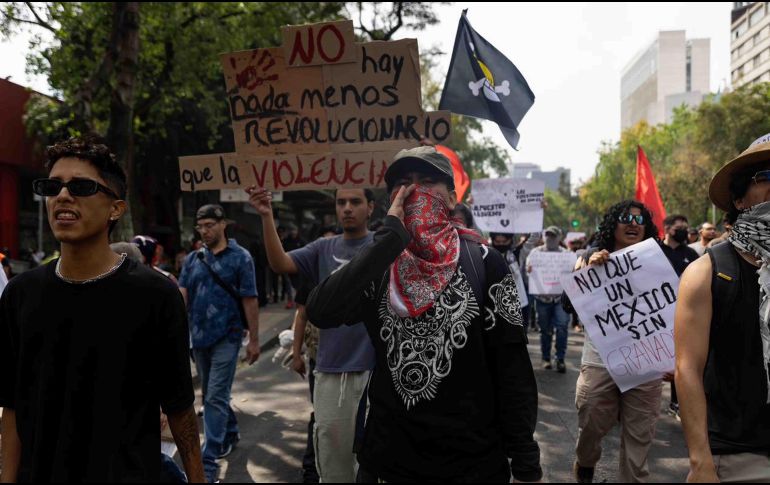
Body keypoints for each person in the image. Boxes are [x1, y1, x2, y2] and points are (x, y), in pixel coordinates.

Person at [303, 146, 543, 482]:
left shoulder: (485, 263)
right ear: (392, 200)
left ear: (451, 197)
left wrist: (525, 460)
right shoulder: (379, 264)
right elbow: (321, 310)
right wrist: (387, 243)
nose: (415, 191)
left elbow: (512, 366)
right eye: (404, 183)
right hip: (388, 462)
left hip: (472, 464)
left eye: (428, 181)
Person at [0, 136, 204, 482]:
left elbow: (179, 407)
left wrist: (197, 478)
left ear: (116, 208)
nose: (63, 196)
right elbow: (12, 409)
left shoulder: (156, 295)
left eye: (81, 186)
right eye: (53, 186)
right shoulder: (21, 294)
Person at [247, 185, 377, 484]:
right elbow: (279, 263)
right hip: (330, 372)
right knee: (333, 462)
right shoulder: (322, 248)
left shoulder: (383, 245)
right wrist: (266, 215)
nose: (347, 208)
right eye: (341, 202)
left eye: (355, 202)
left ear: (370, 207)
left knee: (372, 463)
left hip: (376, 372)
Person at [676, 133, 770, 483]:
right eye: (767, 178)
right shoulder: (707, 273)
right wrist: (701, 461)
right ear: (739, 199)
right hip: (738, 458)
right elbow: (687, 369)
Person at [570, 200, 665, 483]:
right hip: (601, 363)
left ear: (647, 227)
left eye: (639, 220)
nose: (632, 223)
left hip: (646, 364)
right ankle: (585, 462)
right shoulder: (589, 257)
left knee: (639, 439)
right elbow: (569, 306)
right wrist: (586, 272)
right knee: (590, 423)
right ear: (613, 224)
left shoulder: (659, 259)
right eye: (625, 218)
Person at [178, 203, 261, 483]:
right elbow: (183, 295)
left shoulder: (241, 257)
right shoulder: (192, 259)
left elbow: (250, 298)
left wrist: (255, 340)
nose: (204, 231)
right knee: (212, 394)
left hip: (228, 335)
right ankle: (230, 432)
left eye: (209, 225)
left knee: (213, 395)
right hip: (198, 338)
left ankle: (209, 457)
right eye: (200, 226)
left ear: (223, 224)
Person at [661, 214, 700, 419]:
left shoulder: (692, 254)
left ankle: (676, 401)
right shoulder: (654, 250)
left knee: (680, 357)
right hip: (654, 315)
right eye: (679, 227)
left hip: (682, 313)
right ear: (667, 229)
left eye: (686, 227)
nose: (684, 230)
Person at [527, 226, 571, 373]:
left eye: (553, 236)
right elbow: (529, 273)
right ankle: (546, 358)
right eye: (548, 235)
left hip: (560, 299)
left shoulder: (567, 255)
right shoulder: (535, 253)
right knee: (545, 330)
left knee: (562, 328)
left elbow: (573, 274)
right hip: (541, 299)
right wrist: (529, 270)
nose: (550, 238)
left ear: (560, 238)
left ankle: (560, 359)